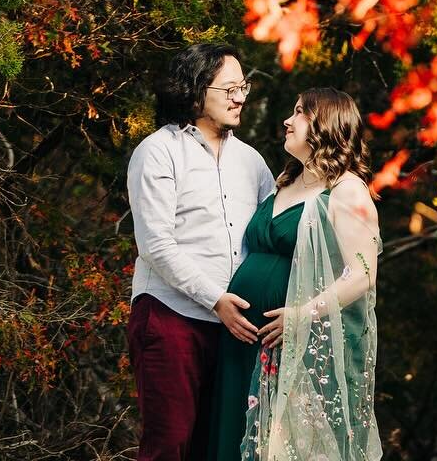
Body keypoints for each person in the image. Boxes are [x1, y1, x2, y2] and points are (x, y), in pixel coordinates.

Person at [208, 88, 382, 461]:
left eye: (300, 113)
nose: (288, 121)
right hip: (241, 340)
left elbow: (364, 273)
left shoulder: (348, 191)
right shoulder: (285, 182)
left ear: (325, 125)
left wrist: (303, 316)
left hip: (293, 345)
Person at [127, 43, 276, 461]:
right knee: (169, 444)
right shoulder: (157, 151)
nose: (241, 97)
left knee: (220, 445)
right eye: (229, 88)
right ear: (195, 92)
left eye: (243, 87)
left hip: (236, 326)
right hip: (170, 316)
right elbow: (155, 245)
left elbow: (268, 236)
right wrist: (215, 300)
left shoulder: (253, 162)